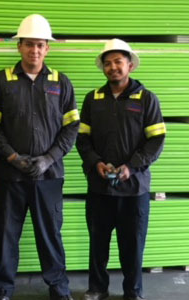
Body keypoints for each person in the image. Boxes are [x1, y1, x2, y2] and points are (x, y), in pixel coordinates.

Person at [0, 14, 79, 300]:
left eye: (40, 45)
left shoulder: (61, 82)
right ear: (19, 46)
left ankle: (58, 287)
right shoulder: (2, 81)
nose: (34, 51)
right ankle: (2, 288)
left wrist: (48, 159)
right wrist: (12, 157)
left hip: (49, 176)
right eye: (29, 45)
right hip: (10, 175)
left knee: (50, 233)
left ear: (48, 48)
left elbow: (71, 127)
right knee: (5, 234)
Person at [76, 39, 166, 300]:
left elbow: (156, 140)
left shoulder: (146, 99)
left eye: (118, 62)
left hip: (134, 190)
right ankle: (97, 289)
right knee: (98, 245)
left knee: (133, 246)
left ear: (130, 65)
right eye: (107, 63)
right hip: (100, 188)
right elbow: (83, 139)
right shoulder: (93, 99)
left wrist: (132, 167)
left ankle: (133, 292)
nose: (112, 67)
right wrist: (96, 163)